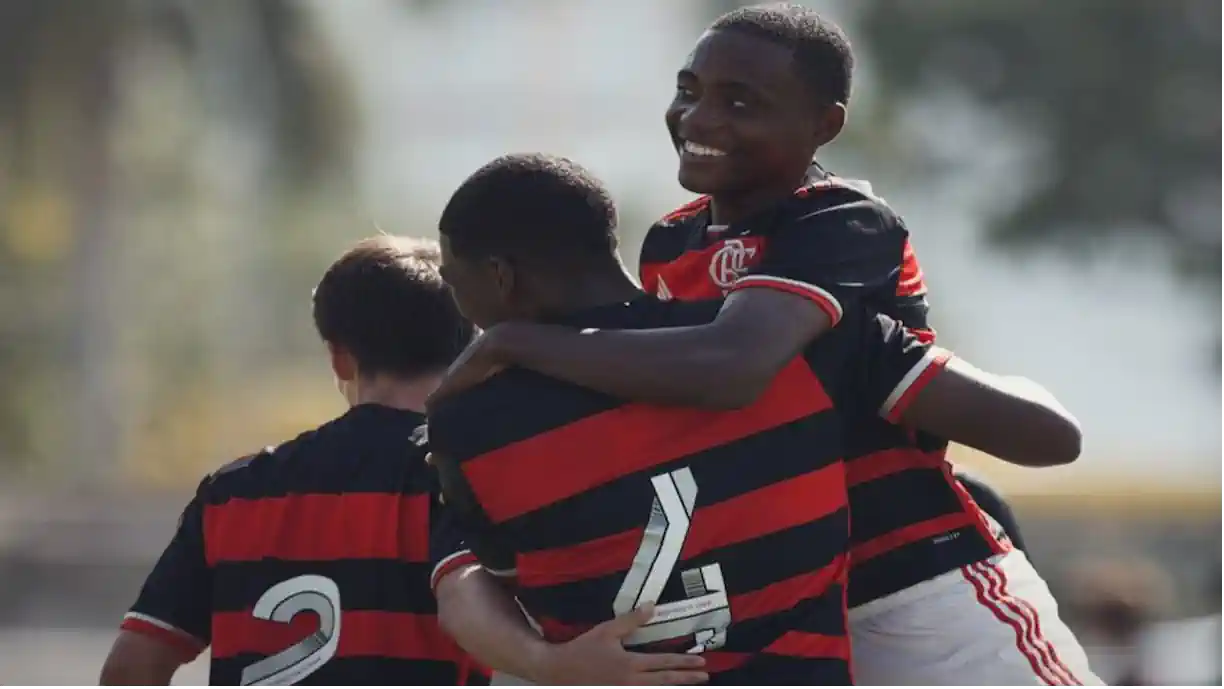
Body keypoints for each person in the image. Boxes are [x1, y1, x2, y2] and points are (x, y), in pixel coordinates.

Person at [430, 5, 1100, 688]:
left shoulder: (840, 219)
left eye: (740, 101)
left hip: (915, 581)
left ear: (825, 125)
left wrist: (511, 341)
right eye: (689, 90)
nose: (698, 119)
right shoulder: (672, 241)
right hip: (777, 605)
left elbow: (732, 369)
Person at [99, 237, 487, 687]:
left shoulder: (232, 494)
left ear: (340, 358)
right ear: (467, 352)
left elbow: (133, 667)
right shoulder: (457, 479)